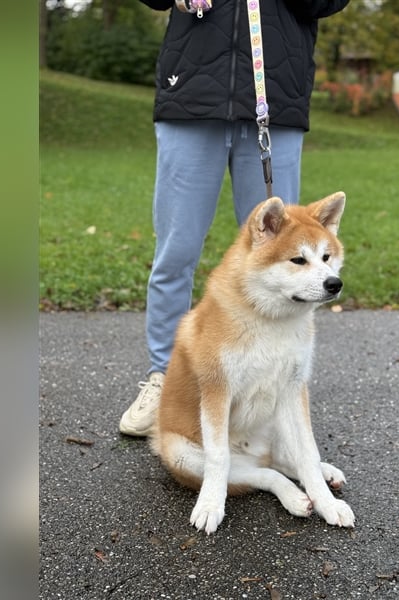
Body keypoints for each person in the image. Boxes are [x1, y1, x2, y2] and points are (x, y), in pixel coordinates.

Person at [120, 0, 350, 436]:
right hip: (191, 95)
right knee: (176, 253)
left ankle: (272, 393)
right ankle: (165, 380)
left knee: (285, 257)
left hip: (275, 99)